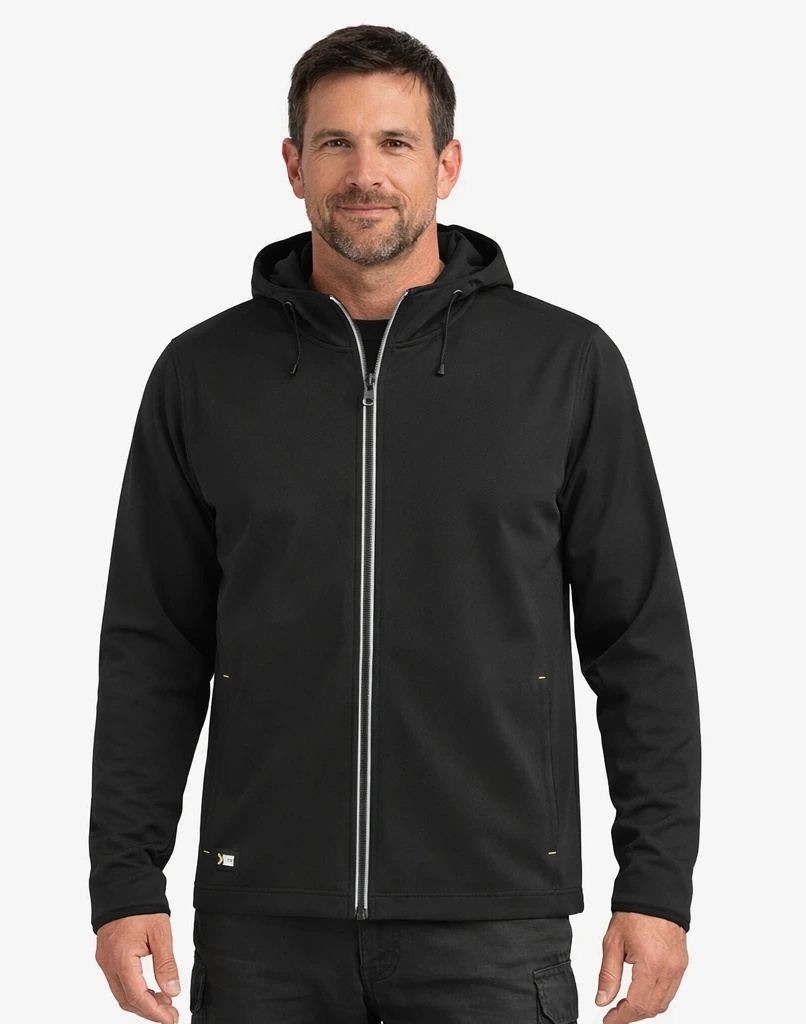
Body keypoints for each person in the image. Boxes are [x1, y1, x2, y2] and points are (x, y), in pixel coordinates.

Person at [89, 23, 701, 1024]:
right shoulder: (203, 375)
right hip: (264, 926)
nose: (363, 173)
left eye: (394, 142)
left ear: (446, 165)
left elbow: (640, 643)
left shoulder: (563, 366)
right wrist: (124, 880)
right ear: (293, 165)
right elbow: (152, 646)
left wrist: (657, 885)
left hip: (493, 921)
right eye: (334, 142)